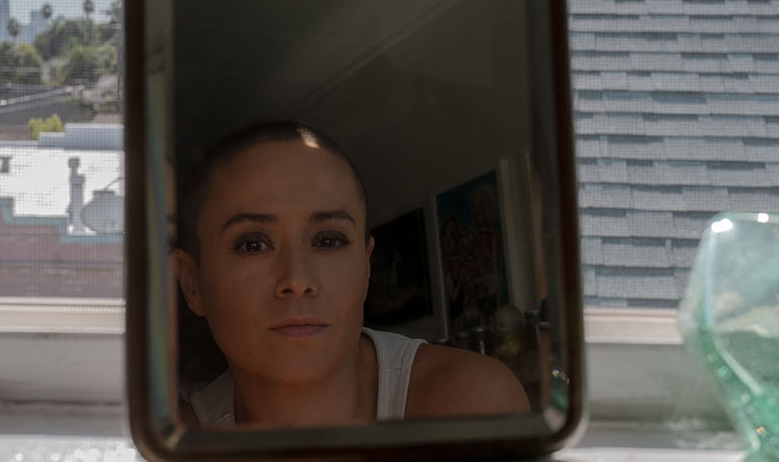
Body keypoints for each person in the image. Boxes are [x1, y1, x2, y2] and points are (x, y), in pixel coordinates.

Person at [171, 121, 530, 428]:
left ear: (366, 266)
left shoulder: (470, 404)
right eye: (253, 245)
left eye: (328, 240)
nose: (297, 279)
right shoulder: (176, 443)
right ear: (192, 283)